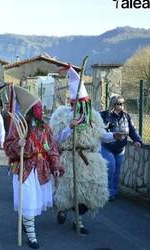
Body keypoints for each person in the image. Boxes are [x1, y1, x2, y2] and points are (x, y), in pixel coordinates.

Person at [50, 65, 121, 235]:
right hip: (69, 157)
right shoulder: (61, 115)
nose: (80, 106)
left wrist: (114, 136)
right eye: (77, 103)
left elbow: (101, 135)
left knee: (87, 193)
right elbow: (56, 139)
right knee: (68, 191)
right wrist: (69, 128)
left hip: (89, 161)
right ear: (71, 102)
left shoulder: (93, 117)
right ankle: (63, 209)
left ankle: (78, 221)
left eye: (83, 103)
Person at [4, 86, 63, 249]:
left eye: (42, 107)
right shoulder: (19, 125)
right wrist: (18, 144)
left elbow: (52, 148)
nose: (41, 111)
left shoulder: (45, 128)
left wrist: (55, 165)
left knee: (35, 201)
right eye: (38, 108)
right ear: (31, 110)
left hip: (41, 170)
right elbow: (7, 147)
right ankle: (32, 236)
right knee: (28, 201)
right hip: (24, 169)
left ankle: (26, 223)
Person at [100, 95, 142, 201]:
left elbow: (132, 130)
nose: (121, 106)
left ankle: (114, 191)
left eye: (123, 103)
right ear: (113, 104)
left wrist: (137, 140)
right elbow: (100, 130)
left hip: (120, 149)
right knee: (111, 168)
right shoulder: (104, 115)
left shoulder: (127, 116)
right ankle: (108, 193)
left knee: (117, 171)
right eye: (119, 103)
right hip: (107, 147)